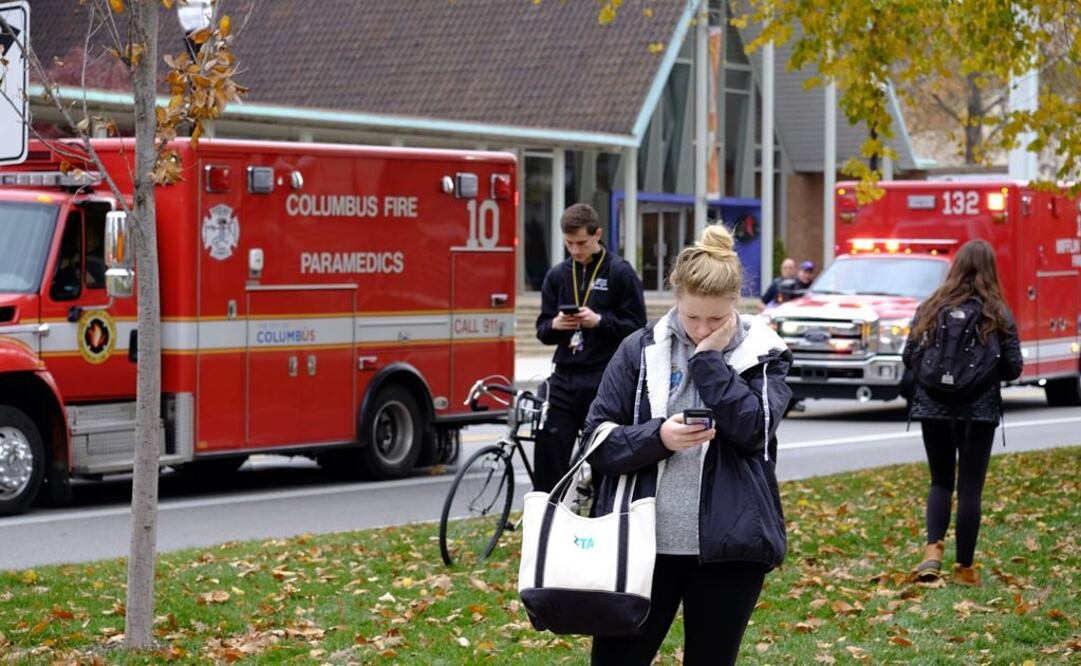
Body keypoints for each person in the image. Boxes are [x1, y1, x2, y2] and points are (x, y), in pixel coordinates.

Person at [583, 224, 792, 665]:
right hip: (640, 545)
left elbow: (756, 429)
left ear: (735, 304)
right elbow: (596, 442)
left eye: (715, 319)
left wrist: (709, 362)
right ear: (675, 298)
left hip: (729, 548)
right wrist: (658, 437)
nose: (701, 328)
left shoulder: (763, 354)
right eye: (692, 317)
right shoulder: (639, 350)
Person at [902, 239, 1023, 586]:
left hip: (933, 408)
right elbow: (1013, 366)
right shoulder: (996, 311)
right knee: (970, 488)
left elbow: (909, 355)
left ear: (954, 267)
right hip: (978, 412)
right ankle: (965, 569)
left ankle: (932, 553)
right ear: (990, 269)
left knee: (940, 481)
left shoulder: (931, 306)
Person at [533, 203, 646, 492]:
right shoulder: (557, 275)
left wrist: (600, 321)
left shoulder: (620, 272)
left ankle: (602, 513)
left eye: (582, 243)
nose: (575, 250)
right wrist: (556, 325)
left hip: (603, 376)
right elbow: (542, 330)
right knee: (549, 446)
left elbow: (638, 328)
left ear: (597, 235)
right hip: (565, 374)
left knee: (602, 450)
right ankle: (547, 514)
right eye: (569, 244)